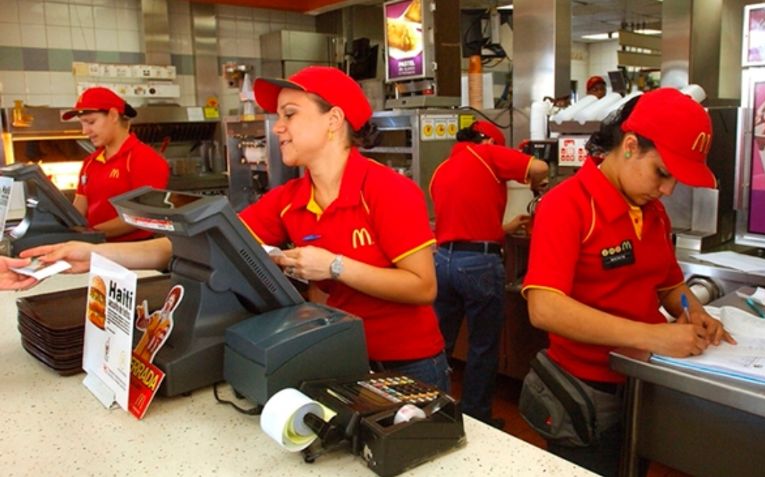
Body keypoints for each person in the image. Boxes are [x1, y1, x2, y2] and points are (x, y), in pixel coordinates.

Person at [23, 66, 450, 392]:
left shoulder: (389, 190)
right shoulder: (289, 198)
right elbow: (189, 245)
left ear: (333, 120)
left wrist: (334, 266)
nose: (278, 126)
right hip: (335, 357)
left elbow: (421, 287)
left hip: (405, 364)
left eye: (289, 114)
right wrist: (91, 253)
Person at [522, 88, 734, 476]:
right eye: (663, 174)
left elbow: (669, 286)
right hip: (586, 391)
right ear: (631, 146)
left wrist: (695, 312)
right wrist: (653, 337)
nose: (668, 190)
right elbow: (544, 307)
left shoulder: (652, 212)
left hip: (642, 385)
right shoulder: (566, 204)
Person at [429, 120, 548, 427]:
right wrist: (537, 185)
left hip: (442, 261)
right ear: (489, 142)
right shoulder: (488, 155)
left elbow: (460, 225)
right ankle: (476, 416)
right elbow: (541, 167)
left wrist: (504, 229)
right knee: (483, 346)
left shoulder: (442, 169)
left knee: (440, 343)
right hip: (479, 265)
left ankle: (431, 411)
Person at [63, 87, 170, 242]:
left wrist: (89, 233)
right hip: (94, 246)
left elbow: (140, 216)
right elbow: (79, 209)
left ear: (113, 115)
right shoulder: (90, 163)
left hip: (133, 252)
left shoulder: (145, 159)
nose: (85, 130)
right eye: (82, 123)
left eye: (91, 122)